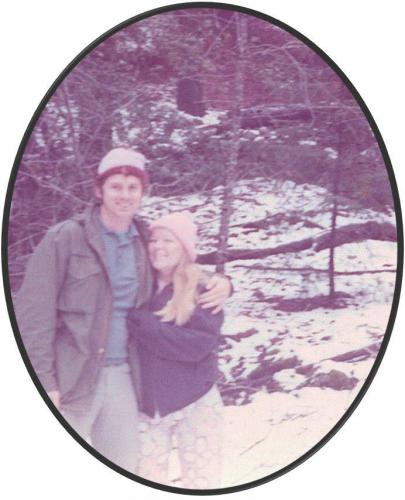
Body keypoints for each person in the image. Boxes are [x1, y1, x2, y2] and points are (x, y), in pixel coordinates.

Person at [14, 147, 231, 473]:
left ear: (143, 192)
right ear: (98, 190)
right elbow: (33, 316)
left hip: (126, 379)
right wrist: (43, 382)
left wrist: (221, 282)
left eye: (133, 187)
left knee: (125, 469)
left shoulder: (145, 241)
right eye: (115, 186)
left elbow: (180, 269)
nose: (124, 195)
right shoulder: (65, 238)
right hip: (71, 378)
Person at [127, 212, 224, 489]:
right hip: (147, 407)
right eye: (153, 240)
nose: (158, 246)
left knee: (202, 484)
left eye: (168, 240)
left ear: (184, 248)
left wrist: (143, 325)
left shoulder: (203, 288)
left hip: (195, 403)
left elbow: (199, 345)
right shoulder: (137, 283)